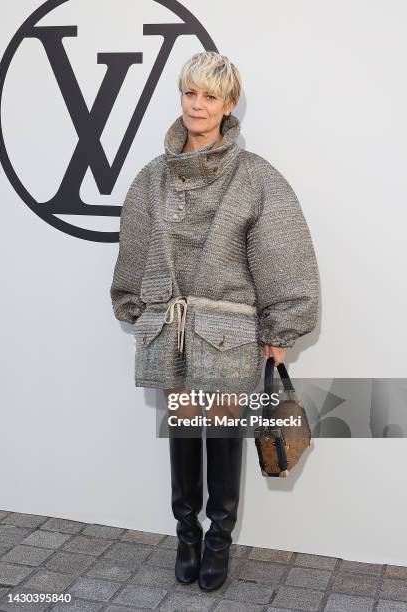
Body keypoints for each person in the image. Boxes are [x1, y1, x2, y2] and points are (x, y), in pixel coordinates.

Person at [110, 51, 319, 591]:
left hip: (228, 338)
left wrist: (281, 330)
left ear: (228, 105)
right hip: (173, 335)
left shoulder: (254, 178)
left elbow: (281, 251)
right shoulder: (152, 178)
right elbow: (134, 244)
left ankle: (219, 543)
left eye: (210, 95)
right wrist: (135, 305)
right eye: (190, 93)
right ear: (181, 97)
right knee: (183, 437)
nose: (197, 104)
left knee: (223, 438)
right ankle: (187, 537)